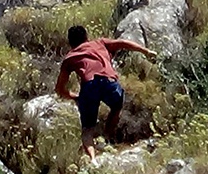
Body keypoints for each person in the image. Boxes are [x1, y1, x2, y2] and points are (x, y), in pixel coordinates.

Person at [55, 25, 157, 161]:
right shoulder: (100, 43)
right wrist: (146, 51)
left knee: (87, 129)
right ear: (87, 37)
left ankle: (92, 160)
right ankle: (108, 138)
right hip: (109, 82)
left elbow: (60, 89)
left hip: (89, 85)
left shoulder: (70, 57)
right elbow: (123, 43)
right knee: (116, 106)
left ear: (70, 42)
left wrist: (75, 97)